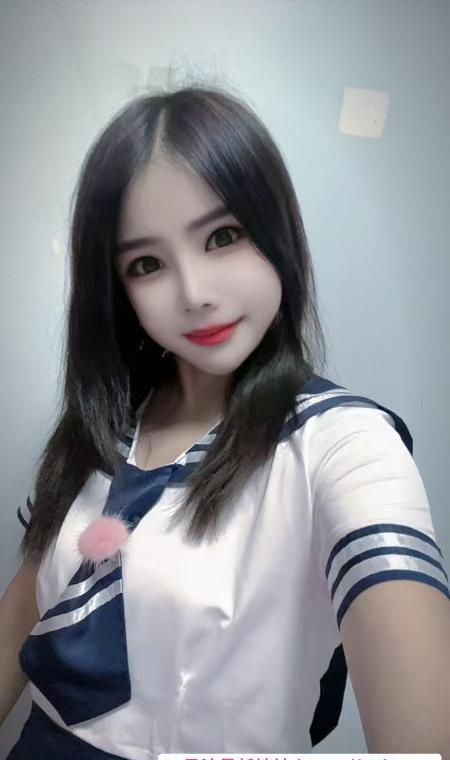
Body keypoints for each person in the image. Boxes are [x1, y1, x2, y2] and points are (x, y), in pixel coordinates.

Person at [1, 84, 450, 758]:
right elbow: (24, 610)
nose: (195, 293)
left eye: (223, 236)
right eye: (147, 264)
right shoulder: (101, 427)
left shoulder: (344, 445)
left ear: (279, 232)